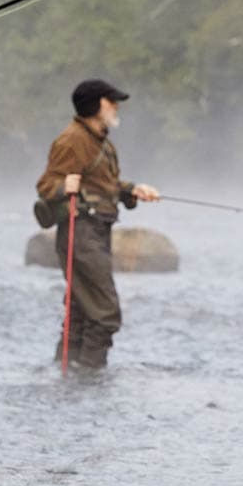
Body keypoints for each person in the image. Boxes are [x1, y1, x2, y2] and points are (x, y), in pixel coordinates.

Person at [34, 79, 161, 368]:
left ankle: (69, 379)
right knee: (105, 313)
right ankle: (91, 379)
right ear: (95, 105)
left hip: (95, 230)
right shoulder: (72, 140)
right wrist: (62, 185)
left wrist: (133, 190)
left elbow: (104, 185)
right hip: (81, 233)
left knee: (81, 310)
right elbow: (46, 184)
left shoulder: (98, 141)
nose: (116, 106)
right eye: (110, 101)